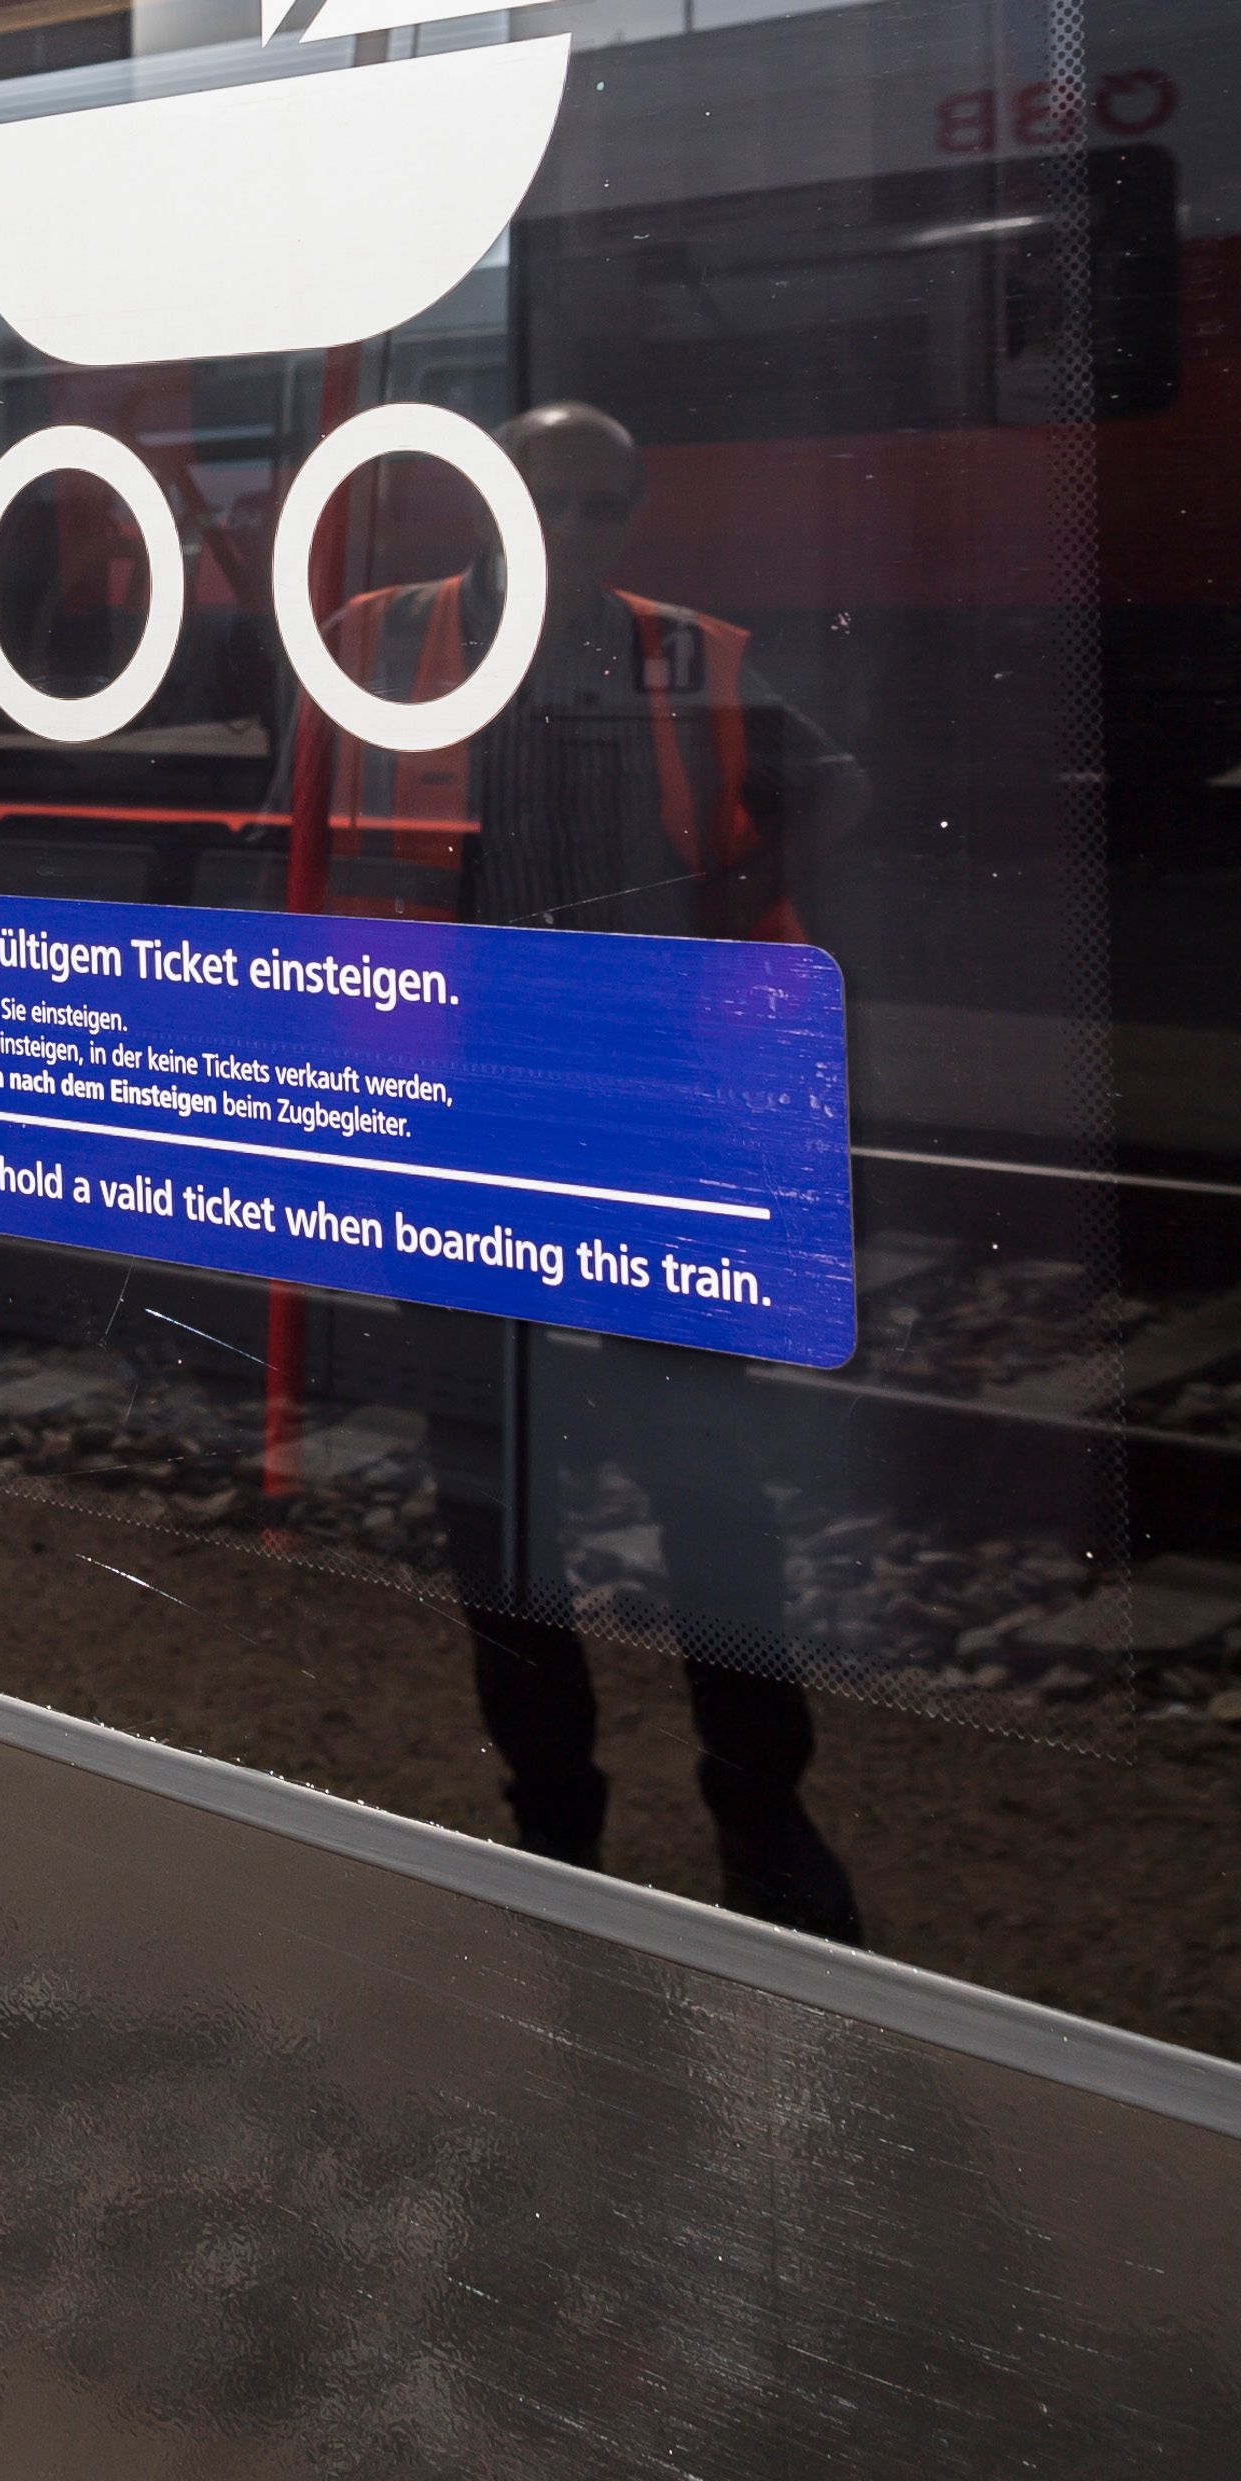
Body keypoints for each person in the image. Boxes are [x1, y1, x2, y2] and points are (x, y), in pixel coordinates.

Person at [292, 398, 879, 1941]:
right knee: (489, 1489)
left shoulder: (686, 656)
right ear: (488, 501)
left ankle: (762, 1810)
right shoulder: (378, 640)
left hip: (643, 1099)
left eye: (596, 504)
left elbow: (834, 781)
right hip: (452, 1106)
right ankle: (551, 1817)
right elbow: (300, 833)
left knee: (709, 1475)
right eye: (539, 496)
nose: (563, 528)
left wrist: (718, 912)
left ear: (632, 513)